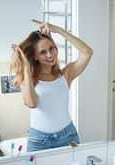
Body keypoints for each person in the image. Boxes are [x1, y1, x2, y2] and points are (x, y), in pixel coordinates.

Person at [11, 19, 93, 152]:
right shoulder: (27, 79)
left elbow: (87, 52)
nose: (50, 55)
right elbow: (32, 104)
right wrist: (26, 67)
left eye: (51, 48)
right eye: (43, 52)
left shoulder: (65, 75)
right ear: (35, 57)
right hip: (39, 141)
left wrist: (59, 31)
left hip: (68, 137)